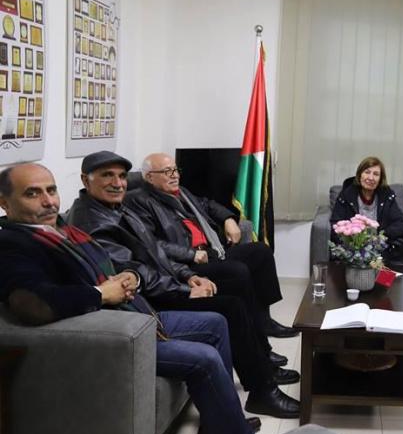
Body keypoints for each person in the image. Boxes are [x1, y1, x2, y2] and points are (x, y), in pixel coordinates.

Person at [0, 163, 259, 434]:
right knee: (205, 357)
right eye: (33, 194)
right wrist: (101, 293)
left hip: (134, 310)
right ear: (5, 203)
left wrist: (130, 277)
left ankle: (218, 421)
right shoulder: (12, 245)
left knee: (215, 322)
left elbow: (118, 262)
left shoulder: (62, 229)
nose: (48, 201)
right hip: (110, 334)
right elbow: (33, 304)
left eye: (51, 190)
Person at [65, 151, 300, 419]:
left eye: (121, 176)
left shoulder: (114, 208)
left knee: (238, 286)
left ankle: (262, 370)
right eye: (107, 176)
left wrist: (187, 276)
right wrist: (186, 288)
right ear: (85, 179)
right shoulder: (93, 222)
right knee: (231, 305)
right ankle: (261, 391)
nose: (118, 183)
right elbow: (137, 273)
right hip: (145, 300)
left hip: (166, 282)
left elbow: (154, 253)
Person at [125, 152, 296, 340]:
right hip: (187, 263)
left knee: (260, 252)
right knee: (238, 270)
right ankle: (253, 331)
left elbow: (207, 204)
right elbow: (151, 243)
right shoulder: (138, 201)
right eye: (167, 172)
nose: (175, 175)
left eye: (175, 170)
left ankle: (264, 320)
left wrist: (228, 219)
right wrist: (190, 254)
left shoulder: (181, 192)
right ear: (149, 177)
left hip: (212, 251)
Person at [330, 156, 403, 264]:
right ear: (359, 175)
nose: (371, 178)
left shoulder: (386, 196)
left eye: (376, 174)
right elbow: (335, 224)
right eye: (367, 172)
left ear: (380, 179)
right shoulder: (346, 195)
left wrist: (380, 236)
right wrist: (353, 241)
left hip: (381, 250)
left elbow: (401, 223)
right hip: (353, 250)